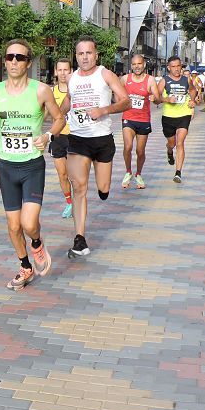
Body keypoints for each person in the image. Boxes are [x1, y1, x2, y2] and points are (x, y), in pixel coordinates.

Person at [0, 39, 66, 290]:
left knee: (29, 225)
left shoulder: (41, 90)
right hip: (6, 166)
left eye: (20, 57)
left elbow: (60, 119)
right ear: (4, 61)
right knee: (13, 225)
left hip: (31, 166)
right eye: (9, 57)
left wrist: (47, 136)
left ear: (28, 62)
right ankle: (25, 266)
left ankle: (37, 243)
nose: (14, 61)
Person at [64, 37, 130, 257]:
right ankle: (79, 238)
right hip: (77, 138)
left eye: (88, 53)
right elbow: (67, 103)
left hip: (102, 139)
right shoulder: (71, 78)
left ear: (96, 55)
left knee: (102, 188)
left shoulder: (105, 74)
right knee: (79, 187)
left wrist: (103, 110)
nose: (84, 57)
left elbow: (125, 101)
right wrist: (49, 111)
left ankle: (104, 190)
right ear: (76, 56)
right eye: (80, 54)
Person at [120, 54, 161, 189]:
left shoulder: (150, 80)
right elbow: (117, 92)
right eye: (134, 64)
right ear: (131, 66)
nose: (137, 67)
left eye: (139, 64)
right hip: (128, 118)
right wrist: (121, 101)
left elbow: (157, 98)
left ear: (144, 65)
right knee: (127, 147)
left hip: (143, 119)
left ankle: (138, 174)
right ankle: (128, 172)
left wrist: (155, 99)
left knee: (140, 151)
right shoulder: (125, 79)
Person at [156, 56, 197, 184]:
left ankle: (178, 172)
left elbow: (192, 90)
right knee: (172, 143)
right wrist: (167, 99)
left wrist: (192, 100)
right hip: (168, 117)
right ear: (168, 68)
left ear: (181, 66)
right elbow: (156, 99)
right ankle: (169, 151)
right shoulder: (164, 80)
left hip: (184, 114)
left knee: (180, 143)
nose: (176, 69)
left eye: (178, 66)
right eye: (173, 67)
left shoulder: (186, 79)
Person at [49, 58, 74, 218]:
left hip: (75, 137)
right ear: (55, 72)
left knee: (76, 176)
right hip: (58, 137)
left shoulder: (78, 90)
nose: (63, 73)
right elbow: (43, 114)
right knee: (62, 174)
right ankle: (69, 203)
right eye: (60, 70)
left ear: (71, 71)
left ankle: (78, 201)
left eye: (66, 70)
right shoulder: (51, 92)